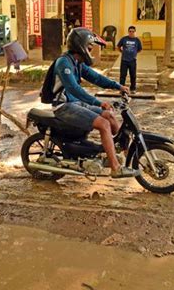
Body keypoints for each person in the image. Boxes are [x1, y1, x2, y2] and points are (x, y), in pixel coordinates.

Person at [52, 27, 140, 178]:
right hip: (64, 106)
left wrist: (118, 86)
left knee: (109, 115)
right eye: (89, 47)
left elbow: (97, 78)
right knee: (103, 124)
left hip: (76, 104)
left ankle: (124, 153)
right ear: (80, 45)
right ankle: (115, 168)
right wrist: (97, 102)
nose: (91, 51)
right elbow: (73, 88)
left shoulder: (77, 63)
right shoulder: (64, 63)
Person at [117, 26, 142, 94]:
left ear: (135, 32)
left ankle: (133, 89)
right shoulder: (124, 39)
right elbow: (118, 46)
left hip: (133, 60)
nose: (131, 32)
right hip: (124, 60)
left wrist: (133, 54)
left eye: (133, 31)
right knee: (123, 75)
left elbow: (139, 49)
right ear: (128, 32)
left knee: (133, 75)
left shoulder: (137, 40)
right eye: (130, 31)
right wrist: (122, 52)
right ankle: (122, 89)